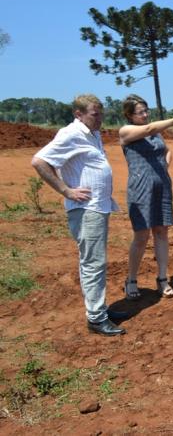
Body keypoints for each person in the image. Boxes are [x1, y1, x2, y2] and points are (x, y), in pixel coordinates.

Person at [31, 94, 126, 336]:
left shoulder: (92, 133)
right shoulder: (70, 134)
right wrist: (66, 190)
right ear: (79, 114)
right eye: (95, 114)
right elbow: (39, 161)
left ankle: (99, 309)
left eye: (101, 114)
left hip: (98, 206)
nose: (100, 119)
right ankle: (95, 318)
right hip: (85, 209)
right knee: (93, 263)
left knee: (95, 262)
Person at [119, 95, 173, 300]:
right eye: (140, 112)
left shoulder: (156, 133)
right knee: (141, 236)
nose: (146, 115)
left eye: (146, 110)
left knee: (161, 232)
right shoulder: (126, 131)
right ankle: (131, 280)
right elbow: (149, 130)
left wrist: (164, 167)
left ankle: (162, 278)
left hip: (162, 188)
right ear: (130, 115)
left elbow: (167, 151)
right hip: (140, 189)